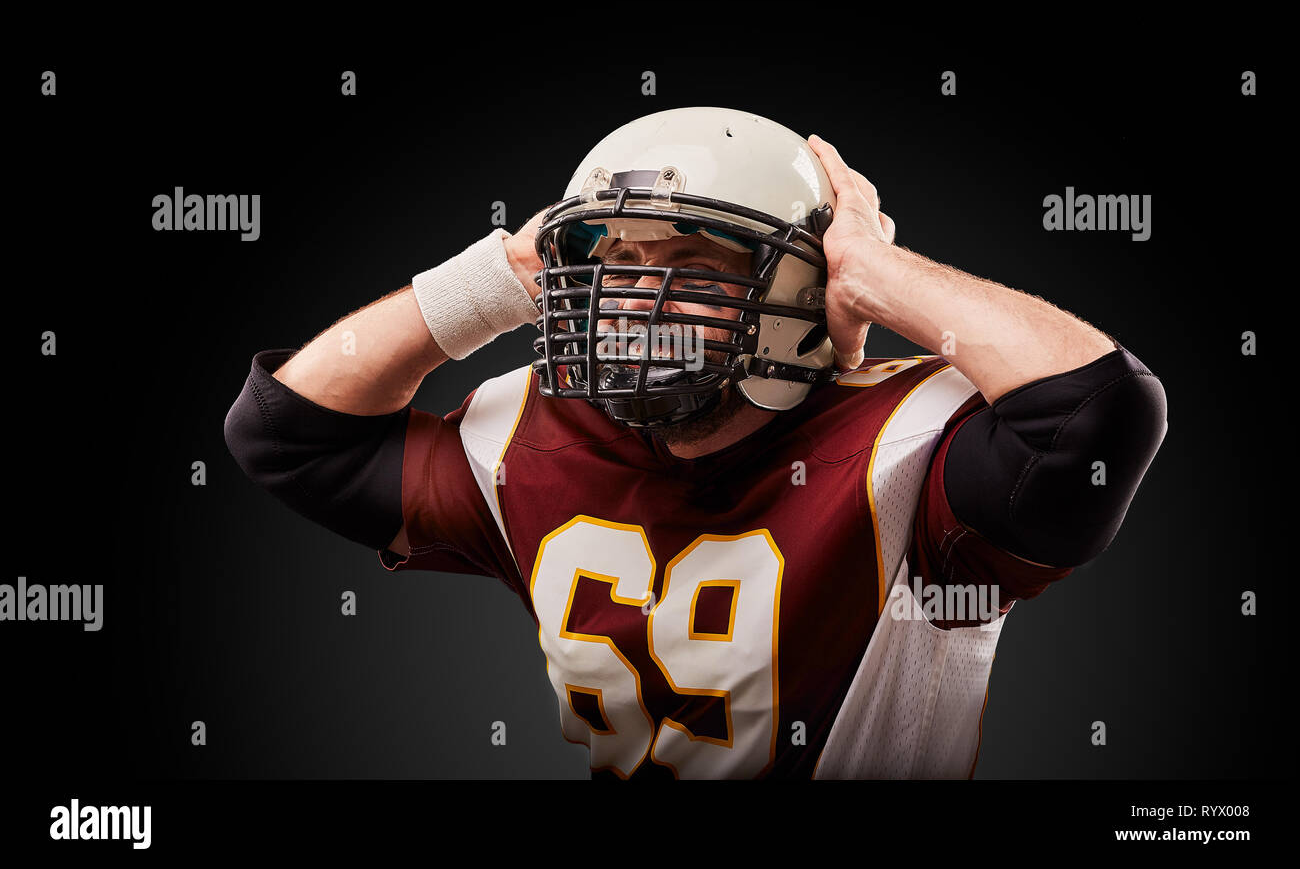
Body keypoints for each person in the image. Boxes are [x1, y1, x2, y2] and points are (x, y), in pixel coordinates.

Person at [225, 107, 1167, 779]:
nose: (638, 297)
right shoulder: (531, 433)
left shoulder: (909, 446)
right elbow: (288, 434)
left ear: (806, 284)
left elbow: (1095, 410)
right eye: (620, 260)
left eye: (692, 263)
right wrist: (503, 277)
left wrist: (874, 271)